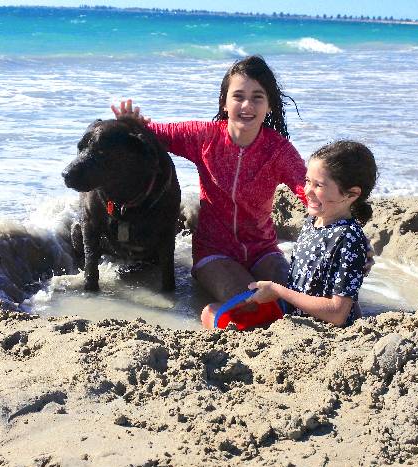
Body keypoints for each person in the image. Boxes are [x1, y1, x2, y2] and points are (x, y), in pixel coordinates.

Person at [112, 55, 308, 304]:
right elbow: (156, 135)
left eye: (257, 97)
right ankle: (211, 313)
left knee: (293, 300)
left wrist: (349, 235)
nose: (247, 105)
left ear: (269, 105)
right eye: (238, 96)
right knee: (247, 304)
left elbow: (311, 192)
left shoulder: (278, 151)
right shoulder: (204, 137)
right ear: (224, 103)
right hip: (215, 252)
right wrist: (133, 125)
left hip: (263, 250)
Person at [234, 140, 378, 327]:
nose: (307, 190)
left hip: (324, 332)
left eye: (319, 185)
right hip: (297, 319)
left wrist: (278, 291)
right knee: (210, 311)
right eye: (307, 181)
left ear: (351, 194)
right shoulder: (313, 221)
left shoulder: (348, 238)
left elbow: (337, 314)